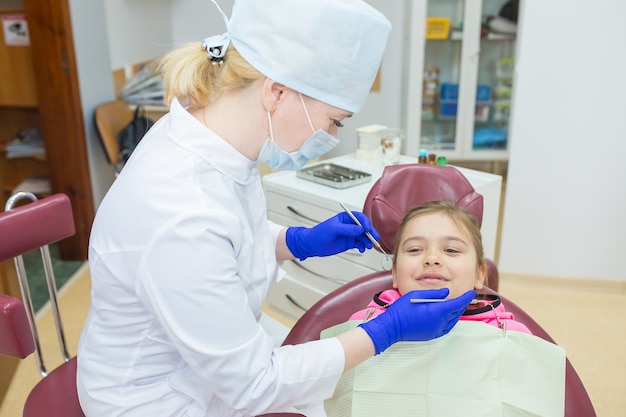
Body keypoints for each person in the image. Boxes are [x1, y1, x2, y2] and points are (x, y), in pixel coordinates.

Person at [76, 1, 475, 416]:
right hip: (154, 400)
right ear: (277, 92)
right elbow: (255, 385)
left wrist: (293, 241)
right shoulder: (180, 211)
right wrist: (385, 331)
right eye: (335, 120)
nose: (333, 137)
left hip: (207, 362)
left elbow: (224, 236)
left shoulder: (213, 140)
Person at [349, 200, 531, 334]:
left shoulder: (512, 336)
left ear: (479, 275)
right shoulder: (363, 326)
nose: (432, 259)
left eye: (451, 250)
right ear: (395, 274)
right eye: (415, 249)